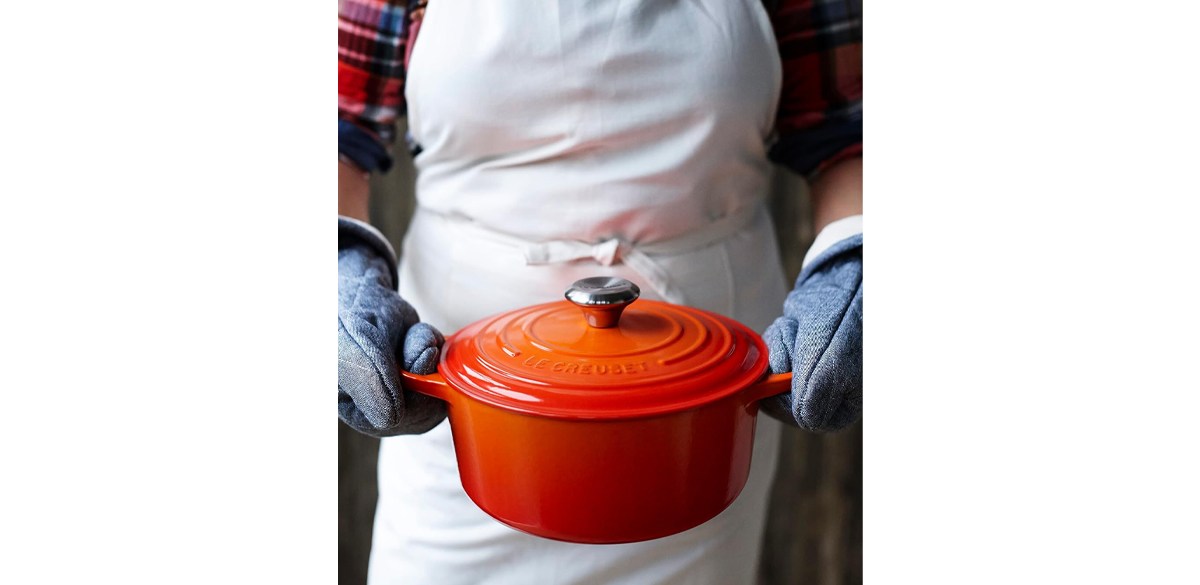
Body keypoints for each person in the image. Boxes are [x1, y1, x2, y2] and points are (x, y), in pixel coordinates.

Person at [337, 0, 862, 582]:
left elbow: (847, 138)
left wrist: (852, 263)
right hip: (462, 406)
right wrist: (339, 262)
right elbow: (337, 127)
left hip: (699, 429)